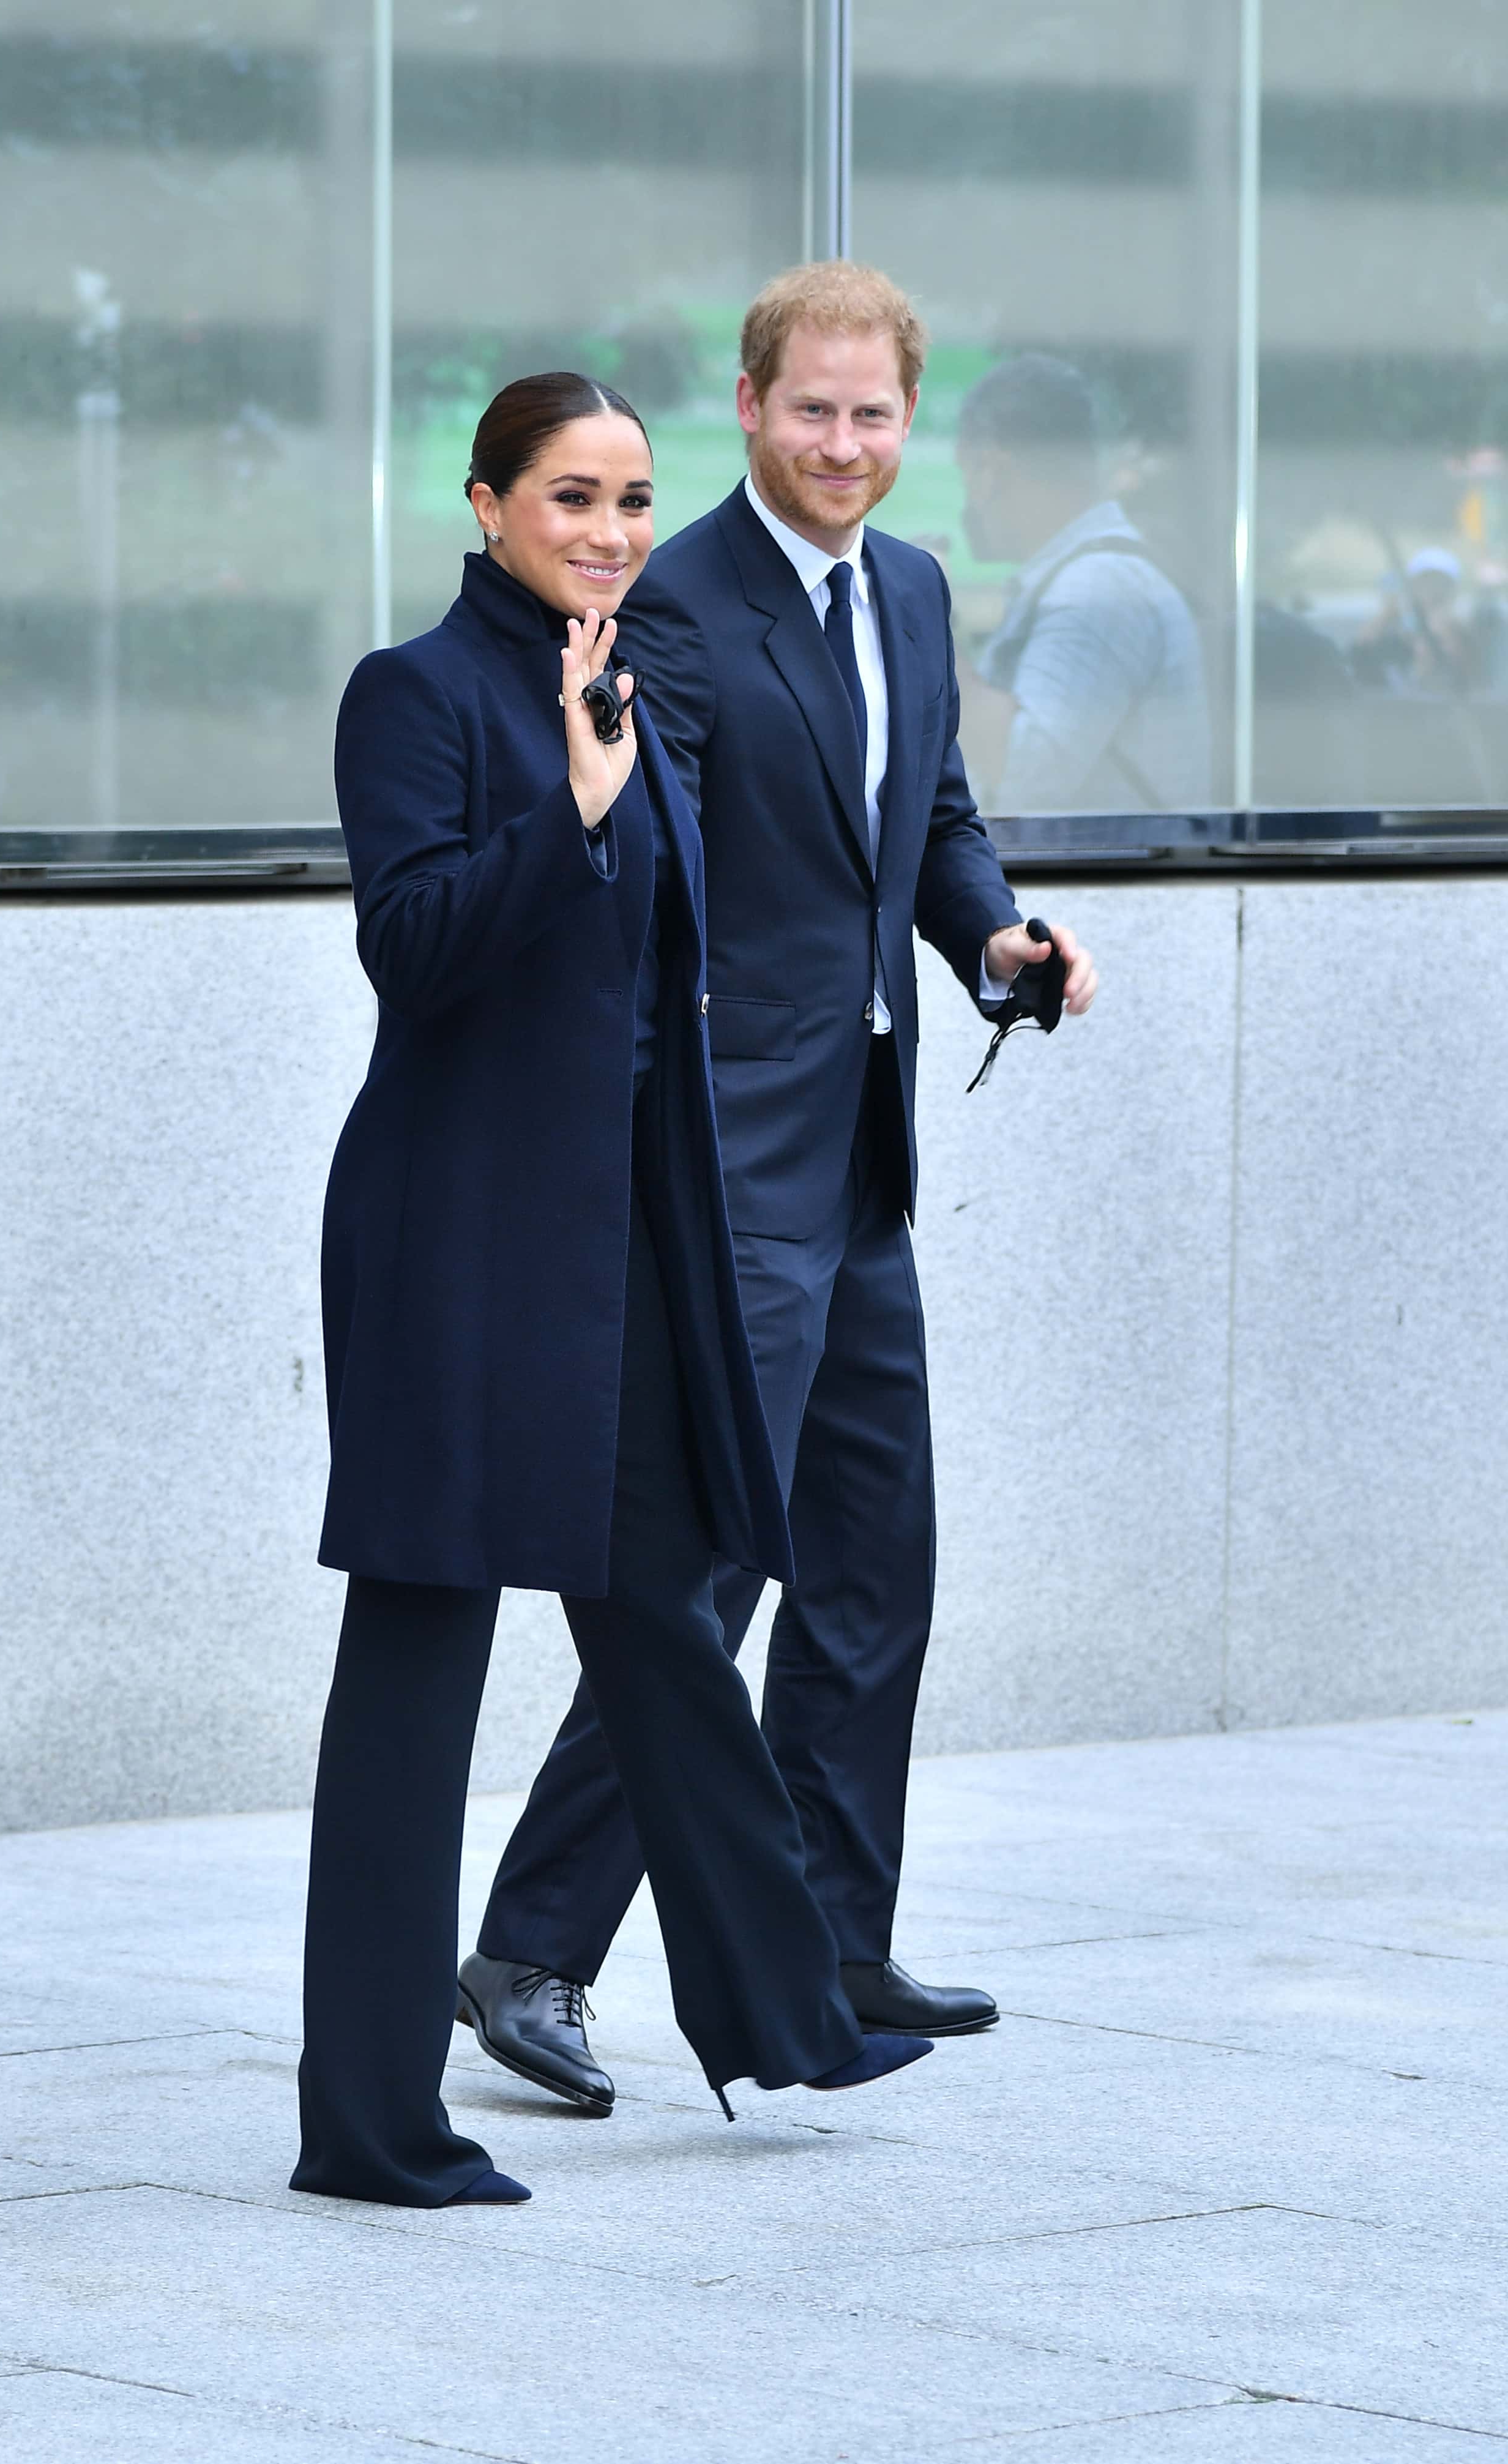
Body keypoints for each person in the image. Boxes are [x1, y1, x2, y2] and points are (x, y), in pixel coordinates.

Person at [291, 370, 933, 2212]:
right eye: (571, 498)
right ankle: (370, 2121)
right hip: (457, 1243)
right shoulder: (413, 695)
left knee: (661, 1602)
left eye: (636, 499)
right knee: (420, 1654)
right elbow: (410, 952)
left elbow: (671, 984)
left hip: (620, 1242)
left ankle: (781, 2007)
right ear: (487, 507)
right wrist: (568, 813)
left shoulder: (631, 686)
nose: (611, 533)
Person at [459, 267, 1097, 2116]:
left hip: (860, 1154)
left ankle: (831, 1937)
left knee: (870, 1555)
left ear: (908, 422)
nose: (842, 445)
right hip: (724, 1166)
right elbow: (651, 883)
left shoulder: (907, 587)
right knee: (708, 1565)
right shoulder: (676, 604)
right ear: (747, 409)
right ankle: (533, 1947)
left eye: (873, 415)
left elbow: (934, 815)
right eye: (809, 411)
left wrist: (998, 940)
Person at [954, 353, 1211, 816]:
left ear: (992, 469)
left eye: (967, 473)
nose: (968, 496)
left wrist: (919, 629)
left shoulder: (1096, 588)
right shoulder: (1082, 577)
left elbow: (1026, 775)